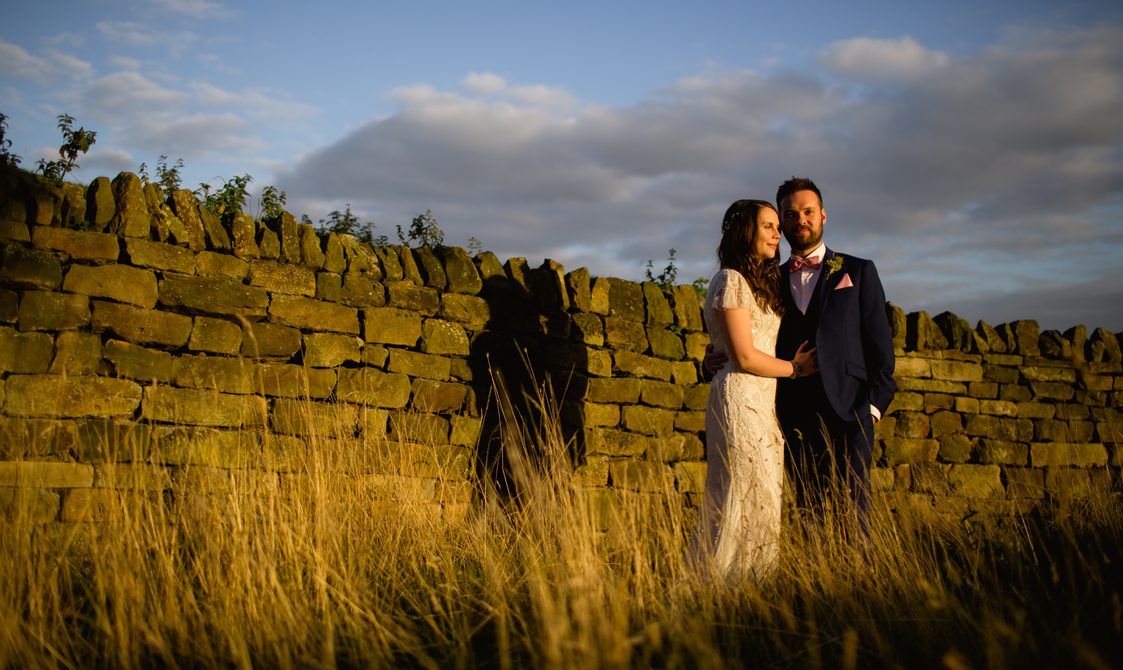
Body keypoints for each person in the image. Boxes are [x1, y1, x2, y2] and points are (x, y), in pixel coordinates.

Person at [688, 199, 818, 583]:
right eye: (768, 226)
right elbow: (743, 356)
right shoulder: (730, 280)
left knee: (761, 501)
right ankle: (718, 593)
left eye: (778, 226)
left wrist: (714, 356)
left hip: (764, 405)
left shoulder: (763, 282)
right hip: (740, 402)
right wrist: (795, 369)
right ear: (746, 231)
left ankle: (750, 595)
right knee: (739, 499)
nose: (778, 233)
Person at [772, 177, 896, 539]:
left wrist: (872, 408)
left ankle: (859, 591)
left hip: (851, 413)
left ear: (823, 215)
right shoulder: (770, 280)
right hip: (794, 413)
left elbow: (880, 348)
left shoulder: (857, 271)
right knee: (807, 512)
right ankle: (818, 588)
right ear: (782, 222)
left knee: (853, 512)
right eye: (791, 215)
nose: (801, 221)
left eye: (808, 212)